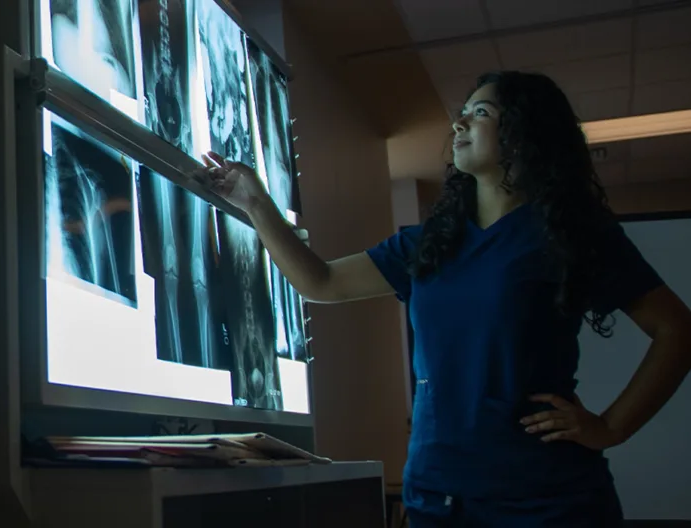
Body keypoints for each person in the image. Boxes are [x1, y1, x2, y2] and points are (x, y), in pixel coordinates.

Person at [194, 71, 691, 526]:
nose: (459, 122)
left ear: (523, 132)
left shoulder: (569, 235)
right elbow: (320, 283)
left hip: (544, 496)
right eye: (462, 111)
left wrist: (611, 427)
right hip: (437, 492)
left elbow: (677, 330)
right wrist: (256, 204)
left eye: (481, 113)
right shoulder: (430, 242)